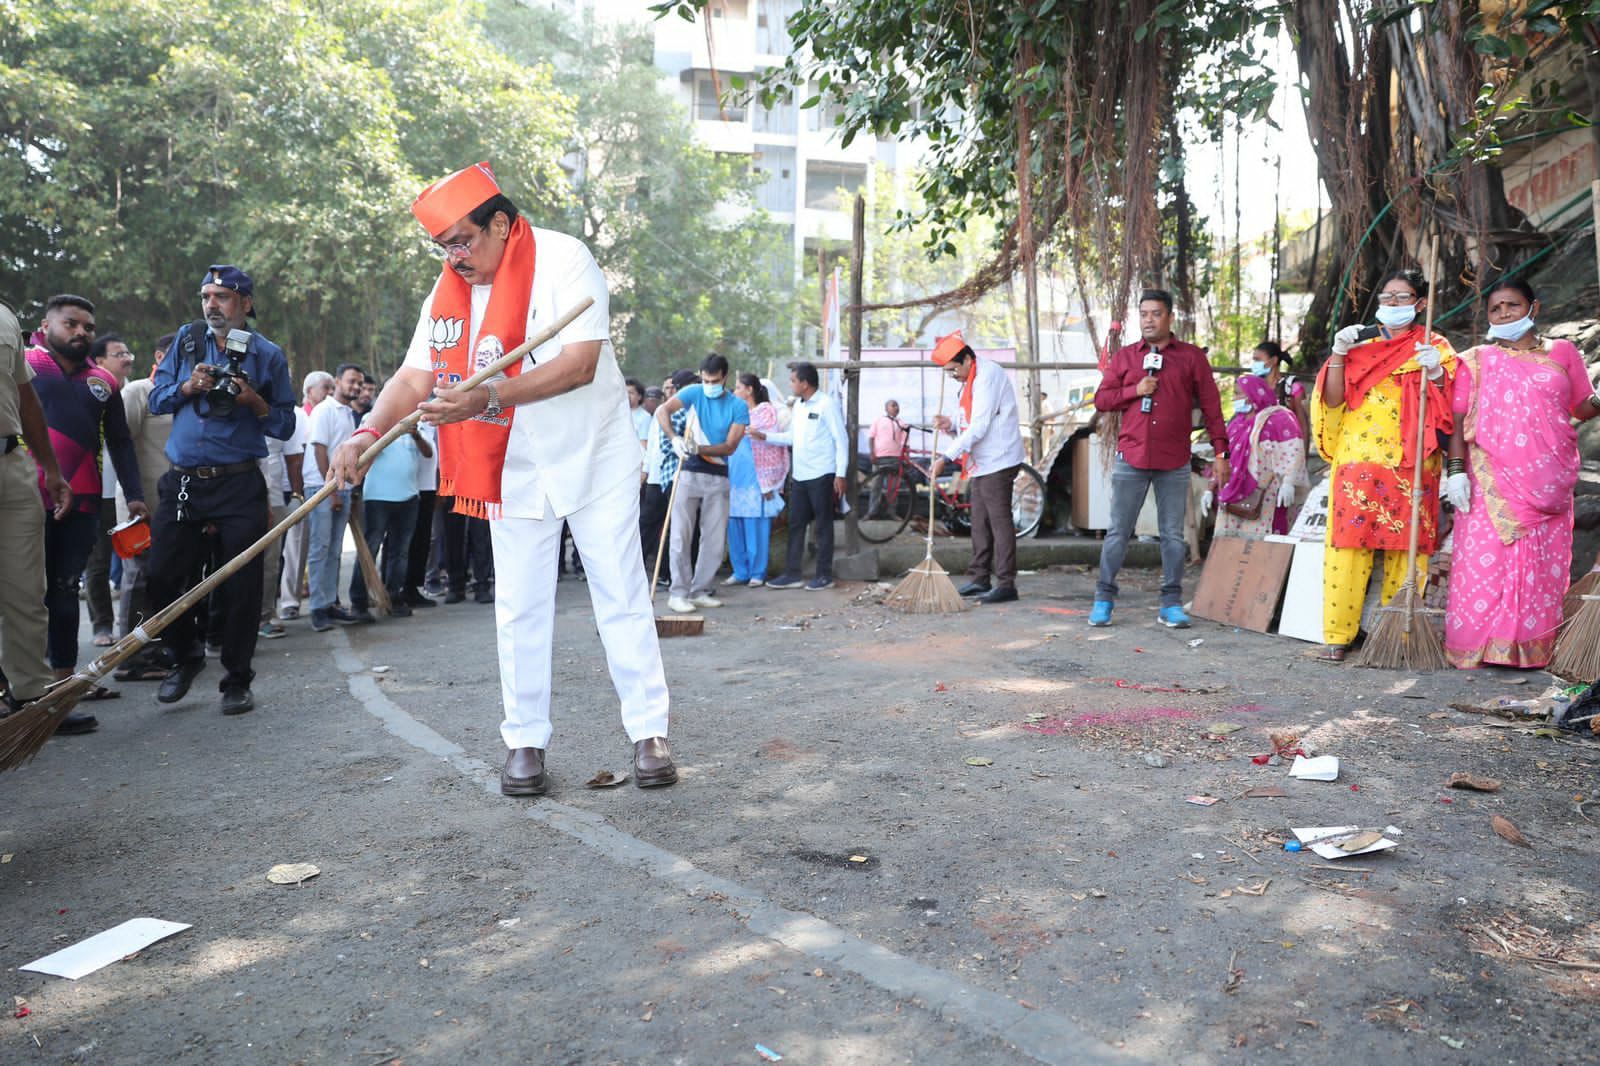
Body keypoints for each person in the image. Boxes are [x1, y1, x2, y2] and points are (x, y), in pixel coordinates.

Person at [328, 160, 675, 795]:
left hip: (594, 459)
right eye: (443, 246)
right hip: (510, 469)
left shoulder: (566, 259)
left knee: (620, 594)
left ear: (502, 224)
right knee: (518, 604)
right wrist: (366, 433)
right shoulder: (446, 296)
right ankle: (524, 741)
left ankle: (649, 733)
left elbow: (577, 365)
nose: (454, 257)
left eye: (462, 240)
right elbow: (413, 378)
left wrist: (488, 399)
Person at [145, 265, 295, 714]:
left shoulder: (267, 354)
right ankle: (185, 657)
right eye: (206, 295)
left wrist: (255, 402)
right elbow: (156, 400)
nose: (212, 304)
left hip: (239, 483)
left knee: (241, 585)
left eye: (223, 296)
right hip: (186, 481)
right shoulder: (186, 342)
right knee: (162, 576)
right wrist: (187, 386)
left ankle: (236, 679)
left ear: (245, 303)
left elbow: (285, 423)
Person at [1444, 279, 1597, 669]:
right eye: (1495, 309)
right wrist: (1456, 471)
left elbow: (1582, 406)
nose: (1504, 314)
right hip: (1491, 478)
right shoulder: (1477, 361)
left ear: (1534, 308)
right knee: (1487, 563)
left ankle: (1531, 649)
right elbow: (1457, 421)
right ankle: (1481, 647)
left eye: (1512, 305)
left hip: (1551, 480)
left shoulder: (1563, 352)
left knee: (1541, 568)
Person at [1311, 267, 1455, 662]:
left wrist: (1438, 373)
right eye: (1387, 297)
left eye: (1402, 297)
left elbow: (1453, 407)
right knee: (1346, 549)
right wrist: (1339, 354)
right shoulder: (1360, 346)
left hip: (1413, 465)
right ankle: (1338, 636)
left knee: (1407, 554)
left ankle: (1396, 638)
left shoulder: (1435, 346)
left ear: (1421, 303)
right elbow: (1334, 400)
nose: (1392, 304)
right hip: (1358, 463)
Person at [27, 296, 148, 720]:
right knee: (21, 596)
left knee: (63, 593)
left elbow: (119, 441)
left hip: (82, 504)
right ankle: (18, 690)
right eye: (71, 324)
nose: (80, 332)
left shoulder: (104, 382)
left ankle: (62, 691)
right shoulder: (25, 365)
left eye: (88, 327)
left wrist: (134, 493)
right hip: (25, 500)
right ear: (46, 325)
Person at [1090, 290, 1229, 628]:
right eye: (1144, 314)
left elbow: (1212, 407)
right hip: (1131, 456)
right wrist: (1134, 391)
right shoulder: (1125, 358)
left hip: (1174, 458)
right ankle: (1104, 599)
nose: (1148, 320)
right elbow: (1102, 400)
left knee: (1172, 535)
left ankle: (1170, 603)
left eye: (1155, 314)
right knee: (1119, 532)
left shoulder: (1192, 357)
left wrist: (1222, 453)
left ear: (1170, 317)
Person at [0, 299, 73, 720]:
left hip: (13, 465)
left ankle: (32, 700)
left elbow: (25, 397)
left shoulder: (5, 317)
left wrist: (50, 468)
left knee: (27, 591)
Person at [927, 334, 1027, 604]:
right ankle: (979, 577)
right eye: (948, 373)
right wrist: (950, 426)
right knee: (979, 522)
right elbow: (968, 423)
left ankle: (1006, 583)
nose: (953, 376)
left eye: (954, 370)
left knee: (998, 521)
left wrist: (945, 458)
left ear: (968, 359)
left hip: (999, 458)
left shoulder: (987, 376)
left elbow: (980, 426)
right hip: (982, 461)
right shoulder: (968, 380)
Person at [656, 353, 748, 611]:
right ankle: (678, 592)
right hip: (686, 474)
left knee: (714, 540)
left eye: (715, 380)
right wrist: (674, 438)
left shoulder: (737, 406)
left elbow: (730, 446)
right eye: (706, 380)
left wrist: (699, 449)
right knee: (680, 535)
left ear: (725, 377)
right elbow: (663, 411)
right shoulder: (693, 392)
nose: (710, 385)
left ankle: (700, 590)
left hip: (718, 478)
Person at [757, 361, 848, 591]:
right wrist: (765, 436)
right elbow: (792, 438)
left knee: (823, 526)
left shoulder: (827, 404)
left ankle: (824, 575)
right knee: (796, 524)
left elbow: (841, 440)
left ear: (805, 383)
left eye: (793, 380)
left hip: (822, 474)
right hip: (800, 476)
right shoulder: (798, 406)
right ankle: (792, 574)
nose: (790, 384)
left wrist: (841, 473)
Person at [1202, 373, 1307, 539]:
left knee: (1260, 546)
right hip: (1233, 490)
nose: (1234, 398)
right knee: (1229, 546)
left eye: (1238, 393)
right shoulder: (1236, 423)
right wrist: (1211, 487)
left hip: (1266, 493)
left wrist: (1289, 482)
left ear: (1252, 395)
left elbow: (1293, 450)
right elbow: (1224, 455)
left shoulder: (1278, 419)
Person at [84, 333, 138, 646]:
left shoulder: (134, 392)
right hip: (98, 492)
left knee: (137, 561)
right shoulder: (90, 393)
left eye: (128, 351)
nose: (127, 357)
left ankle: (136, 625)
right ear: (99, 360)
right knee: (98, 564)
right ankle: (102, 626)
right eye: (119, 353)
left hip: (129, 491)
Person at [303, 362, 365, 631]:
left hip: (342, 489)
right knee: (320, 549)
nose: (356, 387)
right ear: (337, 382)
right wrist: (332, 492)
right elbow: (319, 450)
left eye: (359, 384)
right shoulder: (324, 410)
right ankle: (317, 609)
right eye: (351, 381)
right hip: (322, 488)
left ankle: (330, 603)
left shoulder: (348, 413)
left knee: (335, 550)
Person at [352, 417, 431, 617]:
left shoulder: (416, 423)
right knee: (370, 548)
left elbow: (428, 453)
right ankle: (359, 601)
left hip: (409, 496)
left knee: (400, 551)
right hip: (378, 497)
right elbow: (364, 450)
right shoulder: (374, 417)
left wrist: (415, 435)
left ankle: (393, 598)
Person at [277, 370, 330, 620]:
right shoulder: (297, 416)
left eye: (332, 388)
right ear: (309, 392)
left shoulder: (331, 414)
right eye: (325, 388)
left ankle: (326, 597)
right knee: (294, 547)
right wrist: (296, 492)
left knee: (321, 545)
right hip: (292, 488)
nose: (329, 393)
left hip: (320, 486)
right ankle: (289, 601)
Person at [726, 373, 787, 587]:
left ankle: (757, 572)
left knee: (756, 525)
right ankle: (739, 570)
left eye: (738, 387)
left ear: (749, 390)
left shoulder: (765, 412)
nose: (735, 391)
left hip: (756, 477)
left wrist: (770, 481)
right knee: (735, 524)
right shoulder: (734, 412)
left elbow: (771, 447)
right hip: (734, 476)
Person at [400, 418, 441, 610]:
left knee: (422, 541)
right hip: (409, 488)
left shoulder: (429, 421)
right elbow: (427, 452)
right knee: (406, 541)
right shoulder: (402, 420)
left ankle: (412, 587)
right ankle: (399, 587)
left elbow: (432, 453)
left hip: (428, 487)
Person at [1252, 341, 1309, 442]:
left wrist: (1303, 456)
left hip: (1287, 451)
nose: (1254, 364)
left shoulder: (1292, 388)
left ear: (1273, 360)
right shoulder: (1255, 388)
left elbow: (1303, 426)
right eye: (1254, 360)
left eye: (1258, 360)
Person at [866, 398, 908, 518]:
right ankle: (871, 512)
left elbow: (905, 441)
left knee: (893, 487)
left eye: (897, 406)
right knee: (876, 486)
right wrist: (872, 453)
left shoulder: (901, 423)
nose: (896, 408)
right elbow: (871, 437)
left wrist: (905, 457)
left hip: (895, 458)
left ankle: (892, 513)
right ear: (886, 408)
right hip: (879, 458)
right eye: (893, 405)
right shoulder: (878, 421)